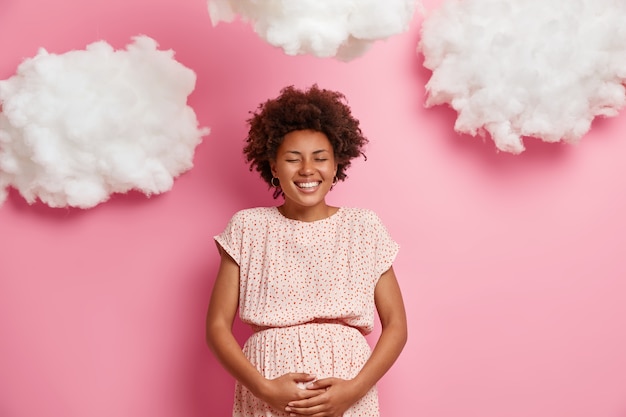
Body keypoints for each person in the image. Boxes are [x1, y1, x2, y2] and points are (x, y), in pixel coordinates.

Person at [206, 84, 407, 417]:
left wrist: (353, 390)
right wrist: (264, 388)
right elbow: (216, 326)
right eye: (292, 159)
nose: (307, 170)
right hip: (267, 390)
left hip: (348, 391)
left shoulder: (364, 227)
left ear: (336, 164)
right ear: (273, 166)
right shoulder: (247, 228)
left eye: (319, 158)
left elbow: (397, 324)